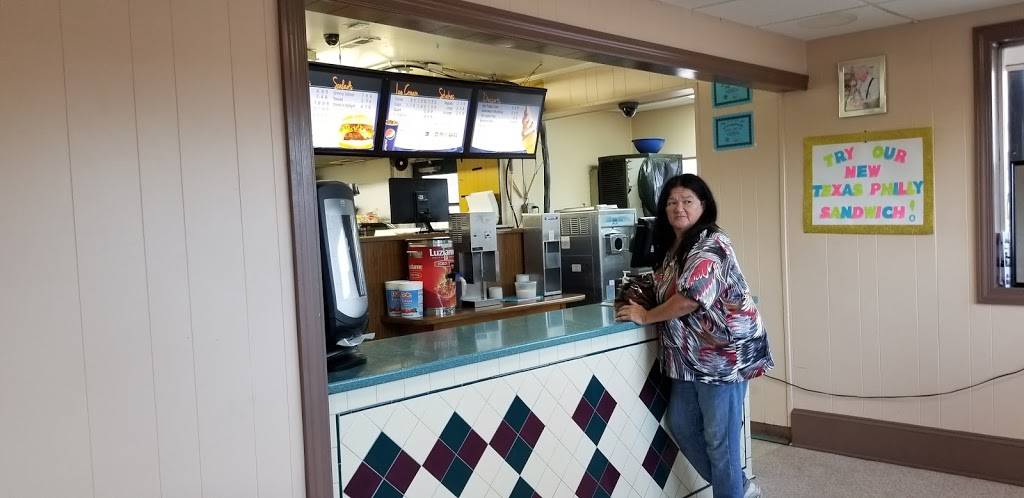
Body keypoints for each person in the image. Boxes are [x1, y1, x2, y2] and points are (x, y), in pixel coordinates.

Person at [615, 174, 774, 498]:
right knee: (683, 425)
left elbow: (690, 298)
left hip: (722, 357)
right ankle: (741, 489)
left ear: (704, 206)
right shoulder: (675, 246)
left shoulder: (710, 244)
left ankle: (735, 491)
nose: (679, 208)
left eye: (687, 201)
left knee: (720, 442)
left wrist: (646, 316)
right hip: (688, 358)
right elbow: (664, 283)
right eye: (672, 202)